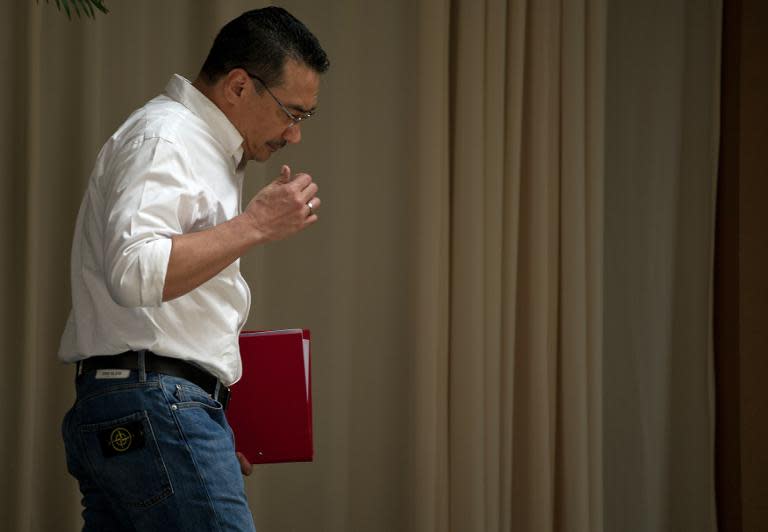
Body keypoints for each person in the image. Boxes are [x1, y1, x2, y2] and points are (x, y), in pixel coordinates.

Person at [59, 7, 329, 531]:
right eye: (292, 113)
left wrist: (211, 422)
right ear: (237, 86)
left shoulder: (199, 147)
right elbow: (135, 271)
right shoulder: (168, 138)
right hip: (154, 403)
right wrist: (253, 225)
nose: (294, 135)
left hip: (148, 404)